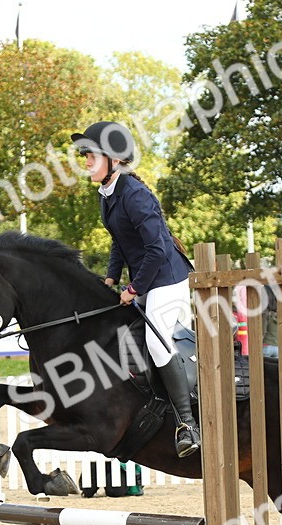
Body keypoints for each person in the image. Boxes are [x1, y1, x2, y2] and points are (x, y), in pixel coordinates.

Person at [71, 120, 199, 458]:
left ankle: (188, 425)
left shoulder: (136, 195)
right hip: (146, 277)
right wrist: (111, 279)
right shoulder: (108, 195)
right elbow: (120, 243)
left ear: (113, 159)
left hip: (169, 280)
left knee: (158, 343)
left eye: (91, 156)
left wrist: (134, 287)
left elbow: (157, 249)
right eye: (85, 156)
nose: (85, 162)